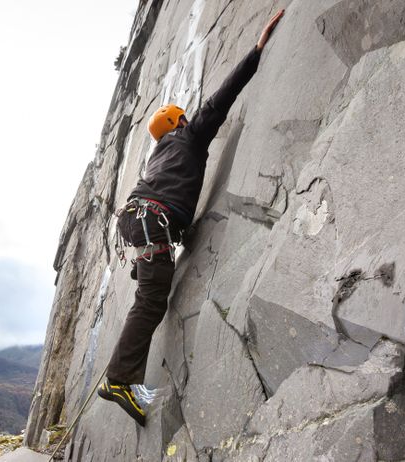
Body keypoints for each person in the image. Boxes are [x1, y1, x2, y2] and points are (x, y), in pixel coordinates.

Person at [97, 10, 285, 426]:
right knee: (151, 301)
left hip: (138, 219)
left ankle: (127, 378)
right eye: (184, 117)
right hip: (151, 220)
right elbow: (221, 98)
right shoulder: (188, 134)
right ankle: (116, 380)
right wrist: (256, 51)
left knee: (149, 295)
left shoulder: (159, 154)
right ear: (179, 121)